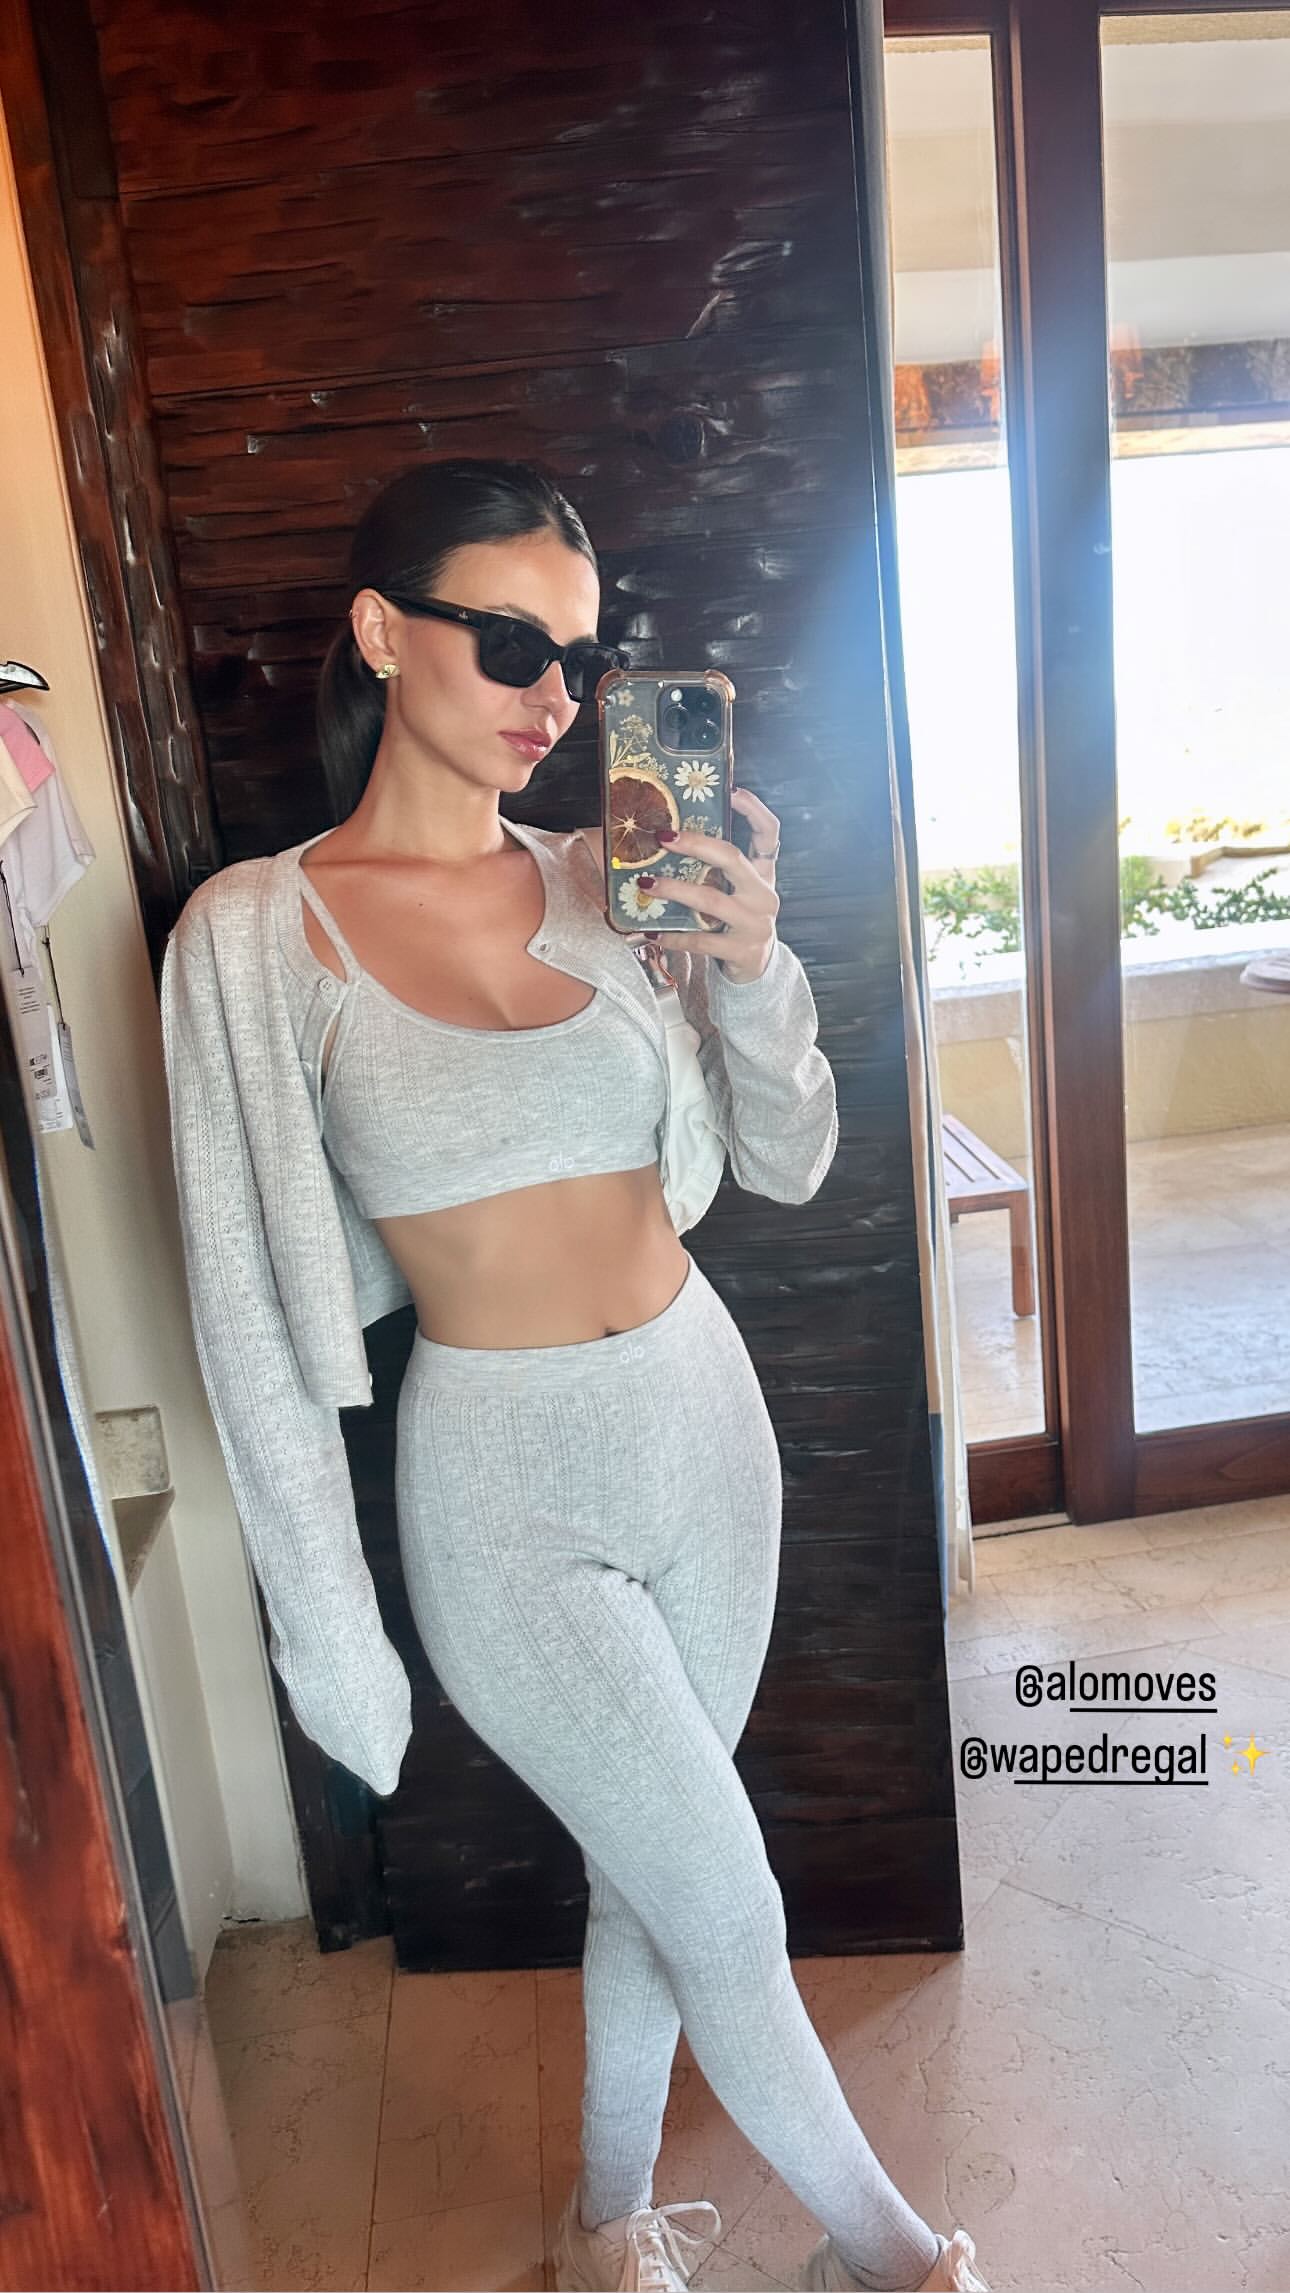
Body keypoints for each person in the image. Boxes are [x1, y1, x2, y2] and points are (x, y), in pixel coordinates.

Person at [160, 457, 991, 2293]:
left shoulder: (615, 881)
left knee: (649, 1865)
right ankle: (900, 2261)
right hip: (501, 1482)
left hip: (701, 1417)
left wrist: (753, 970)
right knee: (725, 1890)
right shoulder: (251, 934)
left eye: (583, 656)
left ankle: (609, 2227)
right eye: (511, 641)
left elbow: (786, 1162)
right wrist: (329, 1627)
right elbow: (241, 1309)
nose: (556, 693)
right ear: (383, 632)